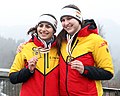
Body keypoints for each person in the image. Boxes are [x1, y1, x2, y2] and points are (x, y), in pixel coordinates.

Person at [56, 4, 114, 96]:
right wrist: (25, 46)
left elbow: (108, 73)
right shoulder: (61, 41)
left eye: (69, 18)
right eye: (63, 20)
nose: (66, 23)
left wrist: (85, 70)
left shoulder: (96, 40)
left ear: (78, 19)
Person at [9, 14, 59, 96]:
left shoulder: (61, 48)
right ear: (37, 28)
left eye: (48, 26)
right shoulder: (25, 47)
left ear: (54, 30)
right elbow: (12, 78)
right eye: (41, 26)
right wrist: (28, 70)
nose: (43, 29)